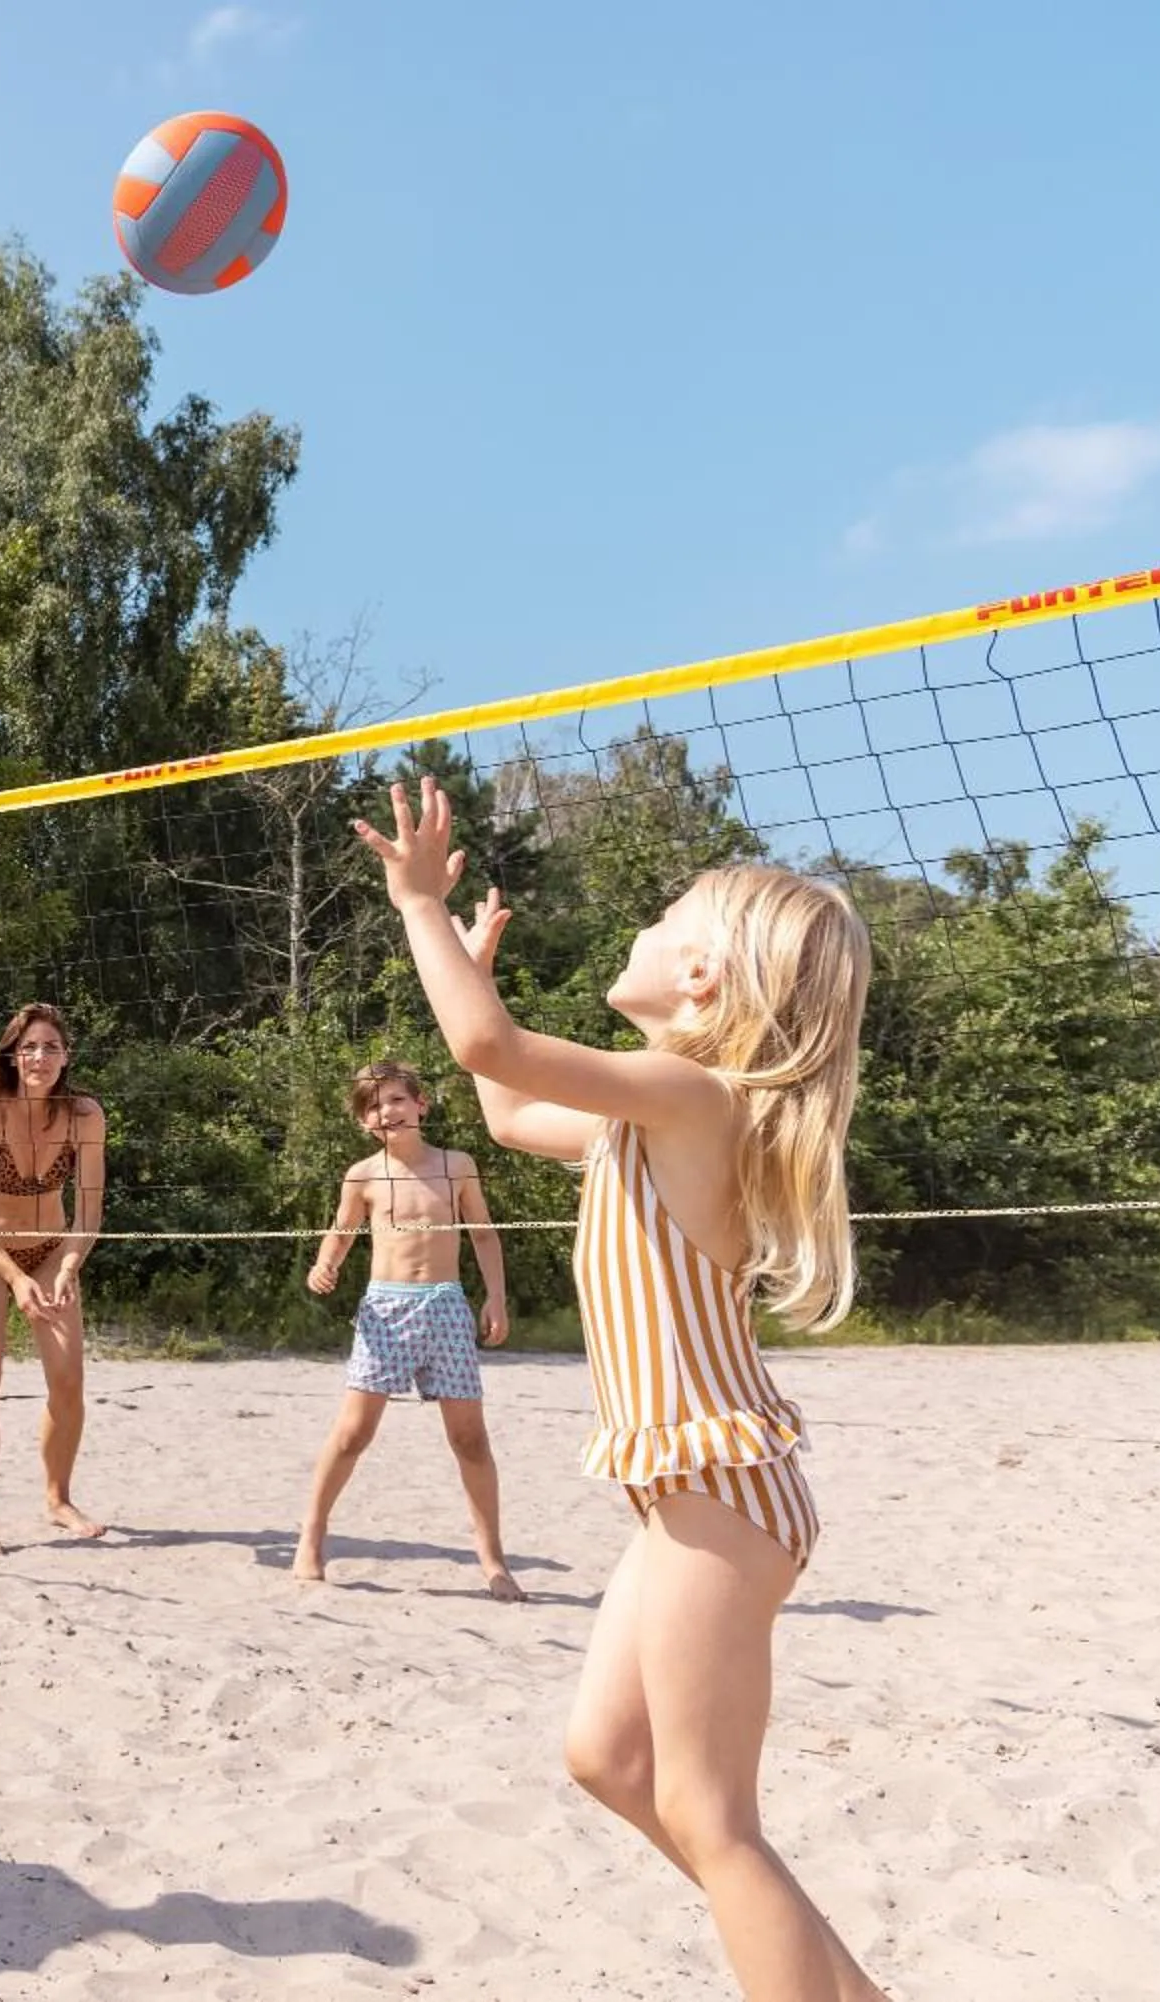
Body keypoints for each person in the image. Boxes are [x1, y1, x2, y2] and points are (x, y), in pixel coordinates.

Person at [358, 775, 890, 2002]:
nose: (637, 930)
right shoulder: (637, 1122)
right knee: (606, 1757)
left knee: (713, 1817)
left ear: (701, 978)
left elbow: (480, 1048)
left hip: (722, 1488)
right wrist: (472, 961)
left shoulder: (696, 1098)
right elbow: (498, 1103)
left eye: (662, 916)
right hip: (681, 1494)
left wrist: (423, 907)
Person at [291, 1059, 522, 1601]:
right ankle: (312, 1537)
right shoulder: (363, 1175)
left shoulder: (456, 1165)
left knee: (469, 1439)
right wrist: (324, 1265)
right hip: (385, 1310)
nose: (386, 1111)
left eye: (395, 1099)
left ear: (421, 1104)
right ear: (364, 1122)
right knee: (353, 1434)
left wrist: (495, 1298)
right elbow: (340, 1235)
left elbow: (485, 1236)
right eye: (373, 1106)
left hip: (445, 1306)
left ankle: (492, 1558)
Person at [0, 1002, 107, 1557]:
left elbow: (89, 1210)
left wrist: (66, 1266)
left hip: (52, 1251)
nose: (40, 1056)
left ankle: (58, 1499)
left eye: (52, 1047)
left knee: (67, 1382)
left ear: (67, 1057)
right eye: (30, 1047)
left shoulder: (85, 1115)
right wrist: (15, 1280)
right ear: (12, 1056)